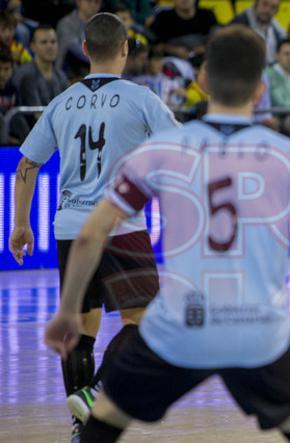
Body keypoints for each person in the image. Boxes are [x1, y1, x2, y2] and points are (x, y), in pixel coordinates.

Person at [44, 24, 290, 443]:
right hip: (258, 332)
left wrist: (68, 310)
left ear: (203, 80)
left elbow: (91, 234)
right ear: (261, 89)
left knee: (103, 419)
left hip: (179, 328)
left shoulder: (164, 150)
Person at [9, 13, 179, 442]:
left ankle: (80, 425)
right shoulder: (141, 99)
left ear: (84, 49)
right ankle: (96, 395)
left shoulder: (62, 102)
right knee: (144, 323)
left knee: (81, 328)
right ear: (125, 48)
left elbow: (27, 163)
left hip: (70, 228)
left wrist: (20, 224)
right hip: (120, 225)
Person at [148, 0, 218, 62]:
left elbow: (217, 42)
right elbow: (154, 46)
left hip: (207, 60)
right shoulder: (163, 18)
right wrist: (173, 50)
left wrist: (199, 50)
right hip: (173, 64)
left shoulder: (208, 15)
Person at [231, 0, 287, 64]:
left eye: (273, 7)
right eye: (264, 4)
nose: (267, 10)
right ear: (256, 3)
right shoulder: (239, 24)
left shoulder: (277, 29)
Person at [56, 0, 102, 71]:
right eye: (89, 1)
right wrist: (103, 60)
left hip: (92, 70)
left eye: (97, 2)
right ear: (78, 2)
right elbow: (77, 50)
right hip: (66, 73)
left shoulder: (102, 25)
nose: (93, 5)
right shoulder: (66, 24)